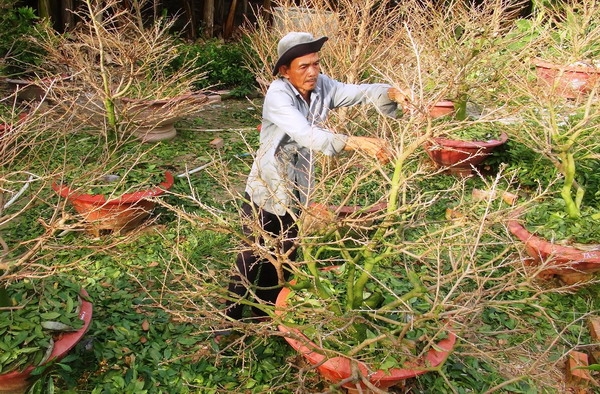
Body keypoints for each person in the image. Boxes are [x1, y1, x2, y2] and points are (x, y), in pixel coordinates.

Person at [223, 31, 408, 322]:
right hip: (268, 186)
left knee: (285, 254)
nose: (312, 72)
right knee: (252, 253)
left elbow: (357, 92)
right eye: (303, 66)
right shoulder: (278, 95)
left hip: (299, 186)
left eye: (316, 64)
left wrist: (390, 92)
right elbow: (306, 133)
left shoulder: (322, 86)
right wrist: (357, 142)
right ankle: (231, 316)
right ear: (285, 71)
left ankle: (264, 315)